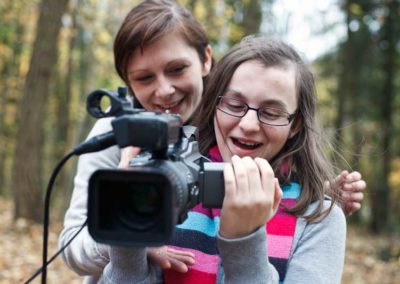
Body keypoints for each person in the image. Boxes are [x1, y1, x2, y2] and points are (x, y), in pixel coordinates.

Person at [59, 0, 365, 282]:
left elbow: (289, 176)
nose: (165, 91)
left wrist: (316, 192)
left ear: (206, 62)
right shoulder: (162, 176)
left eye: (177, 69)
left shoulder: (315, 214)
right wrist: (128, 227)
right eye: (144, 78)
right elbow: (74, 247)